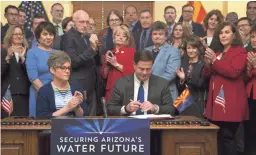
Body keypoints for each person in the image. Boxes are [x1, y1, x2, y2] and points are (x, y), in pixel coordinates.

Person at [203, 22, 249, 155]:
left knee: (227, 137)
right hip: (215, 103)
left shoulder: (239, 51)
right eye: (221, 33)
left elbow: (233, 72)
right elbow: (207, 75)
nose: (223, 35)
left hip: (231, 102)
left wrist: (214, 62)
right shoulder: (217, 52)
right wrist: (207, 64)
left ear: (234, 35)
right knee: (217, 138)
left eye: (227, 32)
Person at [107, 50, 175, 116]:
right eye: (141, 69)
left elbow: (171, 109)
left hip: (153, 125)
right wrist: (126, 109)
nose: (144, 73)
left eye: (148, 69)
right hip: (128, 125)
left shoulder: (162, 84)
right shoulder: (121, 83)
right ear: (134, 65)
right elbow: (110, 109)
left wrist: (155, 108)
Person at [61, 10, 99, 116]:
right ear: (74, 22)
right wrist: (91, 49)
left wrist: (97, 47)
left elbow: (95, 61)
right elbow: (72, 62)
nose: (85, 25)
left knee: (92, 122)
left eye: (87, 22)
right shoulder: (68, 37)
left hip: (91, 84)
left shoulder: (86, 36)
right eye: (82, 22)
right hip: (79, 85)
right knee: (81, 121)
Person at [36, 51, 88, 117]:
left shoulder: (76, 88)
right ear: (52, 70)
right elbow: (42, 117)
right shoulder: (44, 91)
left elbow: (84, 116)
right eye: (63, 68)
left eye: (68, 68)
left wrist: (77, 107)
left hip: (75, 126)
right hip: (54, 126)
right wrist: (67, 108)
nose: (67, 71)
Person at [26, 22, 56, 116]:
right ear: (38, 36)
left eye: (51, 34)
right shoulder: (32, 53)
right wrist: (48, 95)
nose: (48, 37)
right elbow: (33, 78)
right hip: (39, 93)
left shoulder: (57, 53)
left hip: (57, 93)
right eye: (45, 34)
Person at [145, 21, 180, 101]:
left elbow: (171, 74)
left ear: (166, 36)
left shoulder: (173, 51)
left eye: (160, 34)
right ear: (151, 36)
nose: (157, 36)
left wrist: (150, 83)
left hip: (166, 93)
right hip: (147, 94)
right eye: (155, 34)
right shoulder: (145, 51)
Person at [101, 25, 135, 103]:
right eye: (118, 35)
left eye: (124, 36)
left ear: (126, 39)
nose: (121, 37)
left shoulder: (131, 52)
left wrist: (116, 64)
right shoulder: (110, 53)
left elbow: (132, 71)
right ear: (114, 37)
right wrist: (108, 65)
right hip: (111, 89)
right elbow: (103, 75)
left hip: (125, 89)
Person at [1, 25, 30, 117]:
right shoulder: (3, 52)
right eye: (15, 34)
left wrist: (23, 59)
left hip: (24, 94)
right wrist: (7, 58)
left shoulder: (29, 52)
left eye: (21, 34)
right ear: (10, 36)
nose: (19, 36)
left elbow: (31, 74)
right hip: (8, 95)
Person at [176, 35, 208, 118]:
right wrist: (182, 80)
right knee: (182, 125)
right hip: (183, 100)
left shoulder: (203, 64)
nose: (191, 51)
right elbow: (179, 87)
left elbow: (201, 84)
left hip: (197, 101)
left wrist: (186, 77)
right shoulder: (183, 63)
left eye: (194, 48)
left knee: (196, 127)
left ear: (198, 49)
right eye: (189, 48)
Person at [244, 24, 256, 155]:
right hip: (249, 96)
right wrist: (248, 69)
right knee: (249, 130)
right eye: (252, 37)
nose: (254, 40)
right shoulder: (249, 53)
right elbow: (245, 78)